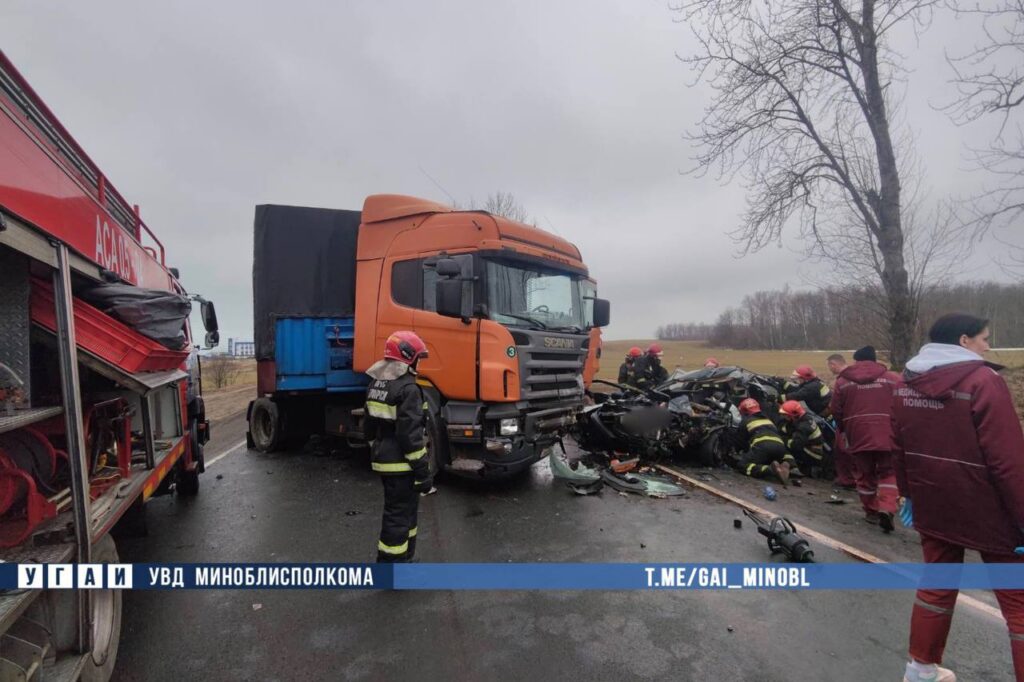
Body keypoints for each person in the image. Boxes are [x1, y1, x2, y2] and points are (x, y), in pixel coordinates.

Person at [892, 313, 1024, 682]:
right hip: (990, 511)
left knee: (936, 584)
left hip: (935, 503)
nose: (988, 345)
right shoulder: (984, 381)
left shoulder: (906, 381)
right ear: (964, 341)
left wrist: (908, 495)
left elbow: (899, 445)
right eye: (984, 338)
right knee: (1019, 603)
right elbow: (1008, 460)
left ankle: (919, 671)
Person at [364, 331, 433, 563]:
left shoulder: (376, 384)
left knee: (404, 512)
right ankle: (391, 567)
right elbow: (411, 438)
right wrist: (424, 472)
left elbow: (369, 427)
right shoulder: (408, 389)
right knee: (398, 516)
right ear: (408, 357)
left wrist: (377, 449)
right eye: (418, 358)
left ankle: (405, 558)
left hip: (384, 460)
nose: (419, 363)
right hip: (401, 465)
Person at [830, 345, 900, 531]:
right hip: (888, 433)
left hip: (858, 434)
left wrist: (844, 429)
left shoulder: (843, 382)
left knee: (864, 474)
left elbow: (836, 409)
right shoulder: (893, 378)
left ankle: (871, 511)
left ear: (856, 361)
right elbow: (902, 403)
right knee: (889, 473)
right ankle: (887, 507)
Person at [732, 398, 795, 485]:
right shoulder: (768, 420)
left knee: (742, 465)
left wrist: (738, 452)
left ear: (744, 411)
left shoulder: (745, 421)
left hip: (763, 447)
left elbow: (740, 442)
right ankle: (788, 465)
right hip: (780, 447)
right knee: (770, 456)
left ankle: (771, 470)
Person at [825, 353, 857, 489]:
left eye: (830, 366)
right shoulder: (855, 376)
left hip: (846, 420)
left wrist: (840, 424)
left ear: (834, 364)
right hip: (856, 418)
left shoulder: (842, 380)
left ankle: (848, 479)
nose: (830, 369)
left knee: (842, 450)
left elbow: (836, 406)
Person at [778, 400, 822, 476]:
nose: (783, 417)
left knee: (783, 447)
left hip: (812, 454)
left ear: (793, 415)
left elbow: (795, 446)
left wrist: (782, 440)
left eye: (785, 415)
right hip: (809, 448)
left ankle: (794, 467)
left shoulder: (804, 426)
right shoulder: (802, 418)